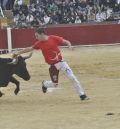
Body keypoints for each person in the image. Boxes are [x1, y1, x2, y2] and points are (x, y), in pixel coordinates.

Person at [13, 27, 89, 101]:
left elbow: (66, 41)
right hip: (52, 66)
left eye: (37, 36)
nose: (36, 38)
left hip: (62, 63)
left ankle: (82, 95)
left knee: (72, 77)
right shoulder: (39, 43)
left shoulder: (53, 38)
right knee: (55, 84)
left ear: (42, 34)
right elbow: (29, 48)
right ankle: (45, 84)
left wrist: (70, 46)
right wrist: (18, 53)